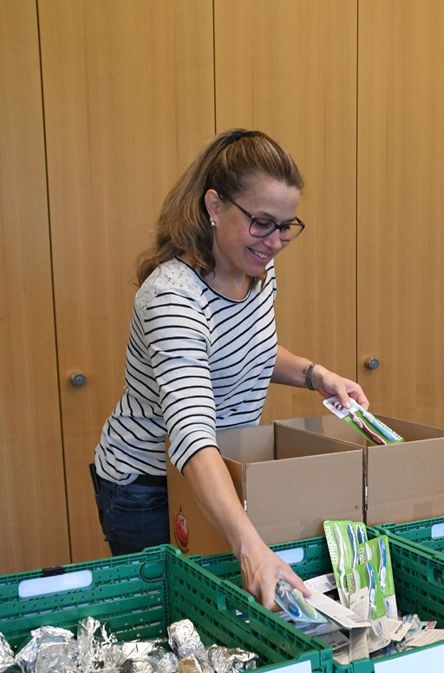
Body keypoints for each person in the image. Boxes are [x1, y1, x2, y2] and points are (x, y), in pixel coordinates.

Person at [92, 129, 367, 609]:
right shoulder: (173, 297)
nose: (275, 242)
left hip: (216, 476)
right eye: (261, 222)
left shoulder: (257, 271)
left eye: (286, 226)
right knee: (176, 623)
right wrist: (252, 548)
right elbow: (192, 436)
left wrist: (315, 375)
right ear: (214, 206)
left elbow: (246, 352)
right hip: (149, 488)